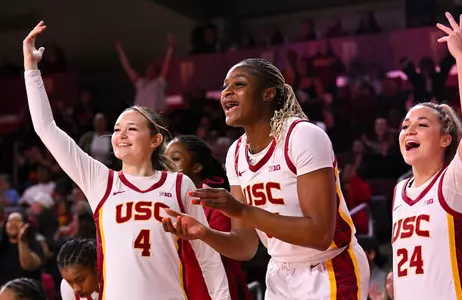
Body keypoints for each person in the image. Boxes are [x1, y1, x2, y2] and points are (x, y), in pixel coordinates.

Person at [22, 22, 230, 300]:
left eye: (132, 128)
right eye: (117, 129)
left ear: (155, 140)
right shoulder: (100, 181)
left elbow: (208, 257)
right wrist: (31, 69)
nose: (121, 134)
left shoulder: (179, 183)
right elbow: (46, 128)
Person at [162, 57, 370, 299]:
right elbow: (245, 246)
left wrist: (241, 210)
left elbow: (320, 235)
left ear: (267, 94)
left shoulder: (303, 136)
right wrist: (203, 233)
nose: (227, 92)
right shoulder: (236, 154)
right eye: (224, 86)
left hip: (330, 267)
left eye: (238, 84)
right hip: (280, 272)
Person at [392, 13, 462, 299]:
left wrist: (461, 56)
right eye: (405, 126)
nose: (410, 130)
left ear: (446, 139)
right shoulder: (400, 191)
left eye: (422, 125)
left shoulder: (455, 181)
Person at [166, 136, 253, 300]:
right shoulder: (162, 202)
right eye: (164, 159)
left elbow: (223, 255)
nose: (166, 165)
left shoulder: (216, 202)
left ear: (197, 167)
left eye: (175, 159)